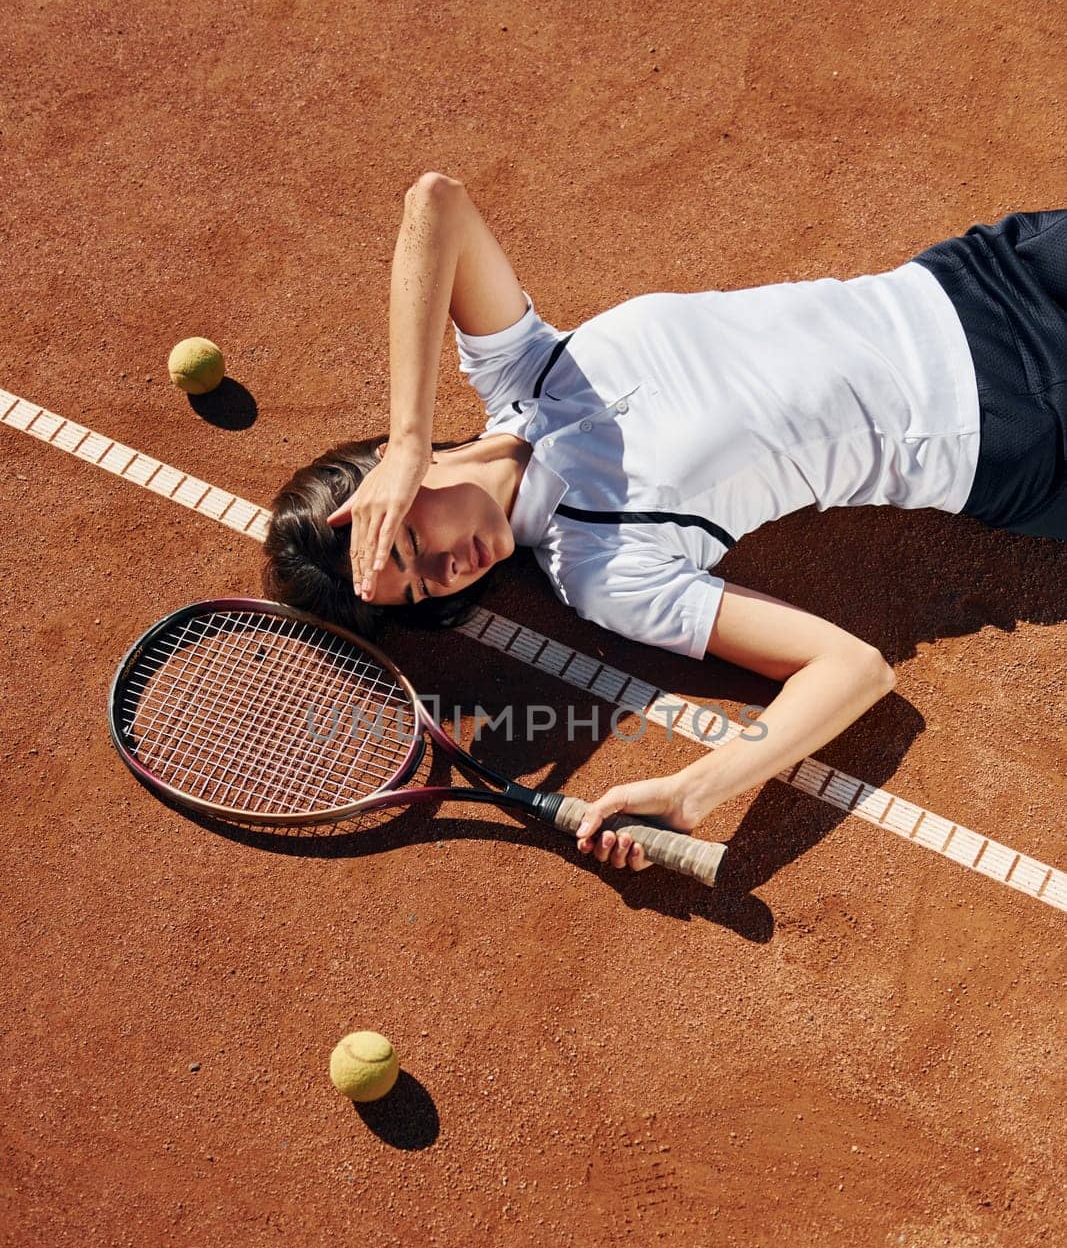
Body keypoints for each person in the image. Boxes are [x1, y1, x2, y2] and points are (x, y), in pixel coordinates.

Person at [264, 174, 1066, 875]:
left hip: (988, 279)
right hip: (1018, 436)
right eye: (422, 590)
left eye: (407, 543)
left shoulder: (522, 368)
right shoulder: (600, 568)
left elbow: (436, 201)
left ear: (388, 478)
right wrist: (694, 790)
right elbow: (850, 668)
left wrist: (407, 437)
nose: (446, 572)